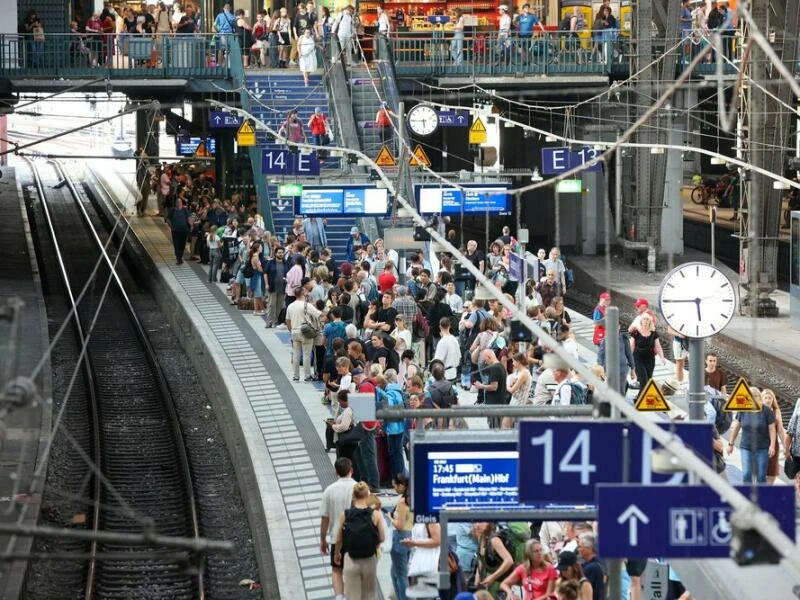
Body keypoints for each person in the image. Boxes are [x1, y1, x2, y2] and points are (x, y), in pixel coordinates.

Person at [334, 481, 385, 599]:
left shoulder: (345, 514)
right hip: (369, 559)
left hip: (351, 559)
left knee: (352, 596)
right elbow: (382, 537)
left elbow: (338, 539)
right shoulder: (375, 514)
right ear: (368, 495)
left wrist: (337, 553)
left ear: (354, 496)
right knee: (369, 595)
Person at [319, 457, 357, 600]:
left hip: (336, 537)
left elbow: (325, 518)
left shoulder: (329, 490)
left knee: (336, 570)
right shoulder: (359, 487)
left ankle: (340, 597)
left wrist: (323, 539)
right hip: (357, 537)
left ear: (336, 472)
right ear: (351, 470)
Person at [728, 389, 777, 484]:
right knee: (746, 473)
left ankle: (761, 496)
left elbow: (772, 429)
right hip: (746, 447)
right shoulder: (743, 410)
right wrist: (731, 444)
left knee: (761, 476)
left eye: (756, 396)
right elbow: (736, 427)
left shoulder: (766, 411)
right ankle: (747, 496)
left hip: (762, 447)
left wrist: (772, 445)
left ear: (759, 398)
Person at [286, 285, 322, 381]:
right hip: (306, 331)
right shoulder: (306, 305)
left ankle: (296, 375)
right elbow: (319, 314)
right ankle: (307, 375)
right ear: (302, 294)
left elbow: (287, 321)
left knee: (296, 354)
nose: (307, 293)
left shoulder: (290, 306)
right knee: (306, 354)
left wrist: (291, 330)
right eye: (305, 291)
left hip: (294, 331)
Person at [474, 522, 515, 596]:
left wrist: (492, 577)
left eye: (481, 522)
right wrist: (477, 581)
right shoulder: (481, 538)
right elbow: (481, 560)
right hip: (487, 584)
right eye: (476, 522)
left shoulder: (494, 540)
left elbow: (509, 561)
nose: (477, 525)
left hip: (500, 584)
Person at [390, 474, 413, 600]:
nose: (394, 488)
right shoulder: (412, 498)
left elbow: (399, 525)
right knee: (395, 573)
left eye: (395, 485)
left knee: (401, 575)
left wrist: (390, 517)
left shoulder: (402, 503)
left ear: (402, 486)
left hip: (400, 538)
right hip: (409, 536)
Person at [628, 314, 665, 385]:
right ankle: (640, 395)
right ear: (641, 321)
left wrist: (662, 357)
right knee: (643, 378)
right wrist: (629, 358)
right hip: (638, 357)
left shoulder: (654, 333)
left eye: (647, 319)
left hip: (650, 358)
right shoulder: (636, 332)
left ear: (650, 322)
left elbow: (658, 346)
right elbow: (632, 346)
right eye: (644, 319)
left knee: (649, 379)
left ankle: (643, 395)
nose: (646, 321)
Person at [475, 349, 507, 429]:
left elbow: (494, 387)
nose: (485, 363)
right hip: (499, 403)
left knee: (495, 428)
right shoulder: (500, 366)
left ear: (489, 357)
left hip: (495, 405)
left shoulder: (494, 368)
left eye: (485, 360)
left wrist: (481, 386)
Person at [501, 353, 533, 429]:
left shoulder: (524, 374)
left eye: (514, 361)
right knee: (508, 425)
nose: (512, 363)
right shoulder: (520, 372)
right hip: (516, 401)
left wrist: (505, 386)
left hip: (518, 402)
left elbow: (512, 390)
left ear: (518, 362)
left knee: (505, 426)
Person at [577, 534, 605, 600]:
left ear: (589, 548)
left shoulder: (592, 568)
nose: (578, 549)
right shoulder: (597, 563)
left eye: (580, 547)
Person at [166, 196, 192, 265]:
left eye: (179, 202)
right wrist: (171, 226)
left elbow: (189, 218)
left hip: (184, 231)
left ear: (181, 203)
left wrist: (191, 225)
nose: (178, 203)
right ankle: (178, 258)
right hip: (175, 231)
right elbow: (168, 219)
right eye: (177, 202)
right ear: (175, 203)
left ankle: (180, 256)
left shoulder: (185, 210)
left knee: (182, 245)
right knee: (176, 244)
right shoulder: (173, 210)